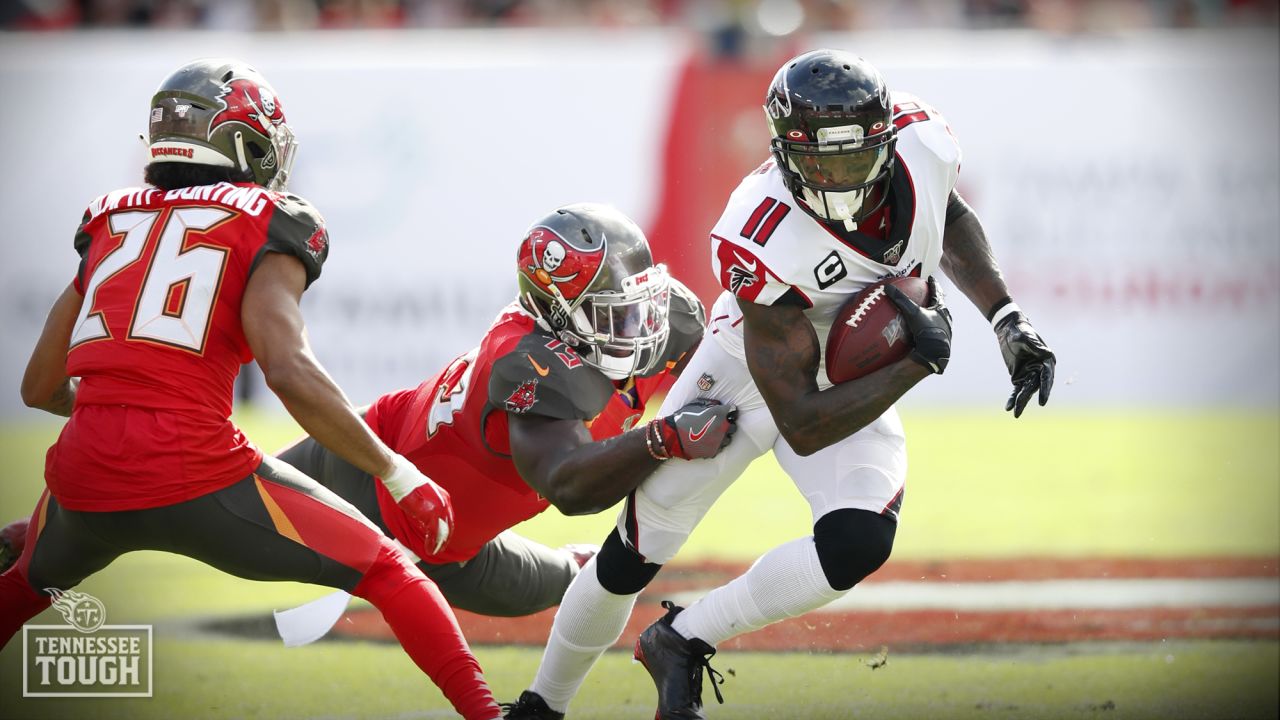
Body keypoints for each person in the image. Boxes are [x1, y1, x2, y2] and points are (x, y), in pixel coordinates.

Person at [503, 49, 1057, 720]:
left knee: (858, 542)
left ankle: (682, 639)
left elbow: (951, 217)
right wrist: (915, 362)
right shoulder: (760, 230)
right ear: (785, 154)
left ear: (885, 138)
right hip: (747, 378)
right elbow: (799, 418)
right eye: (818, 162)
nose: (837, 177)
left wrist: (1006, 316)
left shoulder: (925, 142)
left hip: (849, 376)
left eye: (853, 159)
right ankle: (543, 706)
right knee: (633, 556)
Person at [0, 58, 500, 720]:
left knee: (25, 586)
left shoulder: (109, 218)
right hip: (196, 467)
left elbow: (40, 386)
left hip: (84, 472)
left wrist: (114, 418)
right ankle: (490, 713)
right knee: (388, 567)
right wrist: (395, 470)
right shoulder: (268, 217)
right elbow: (287, 368)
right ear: (241, 141)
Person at [273, 202, 738, 630]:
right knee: (218, 507)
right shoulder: (531, 361)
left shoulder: (666, 318)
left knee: (581, 582)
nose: (640, 324)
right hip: (366, 470)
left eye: (640, 302)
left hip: (454, 552)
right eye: (613, 313)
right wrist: (663, 439)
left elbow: (738, 364)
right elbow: (569, 486)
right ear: (558, 315)